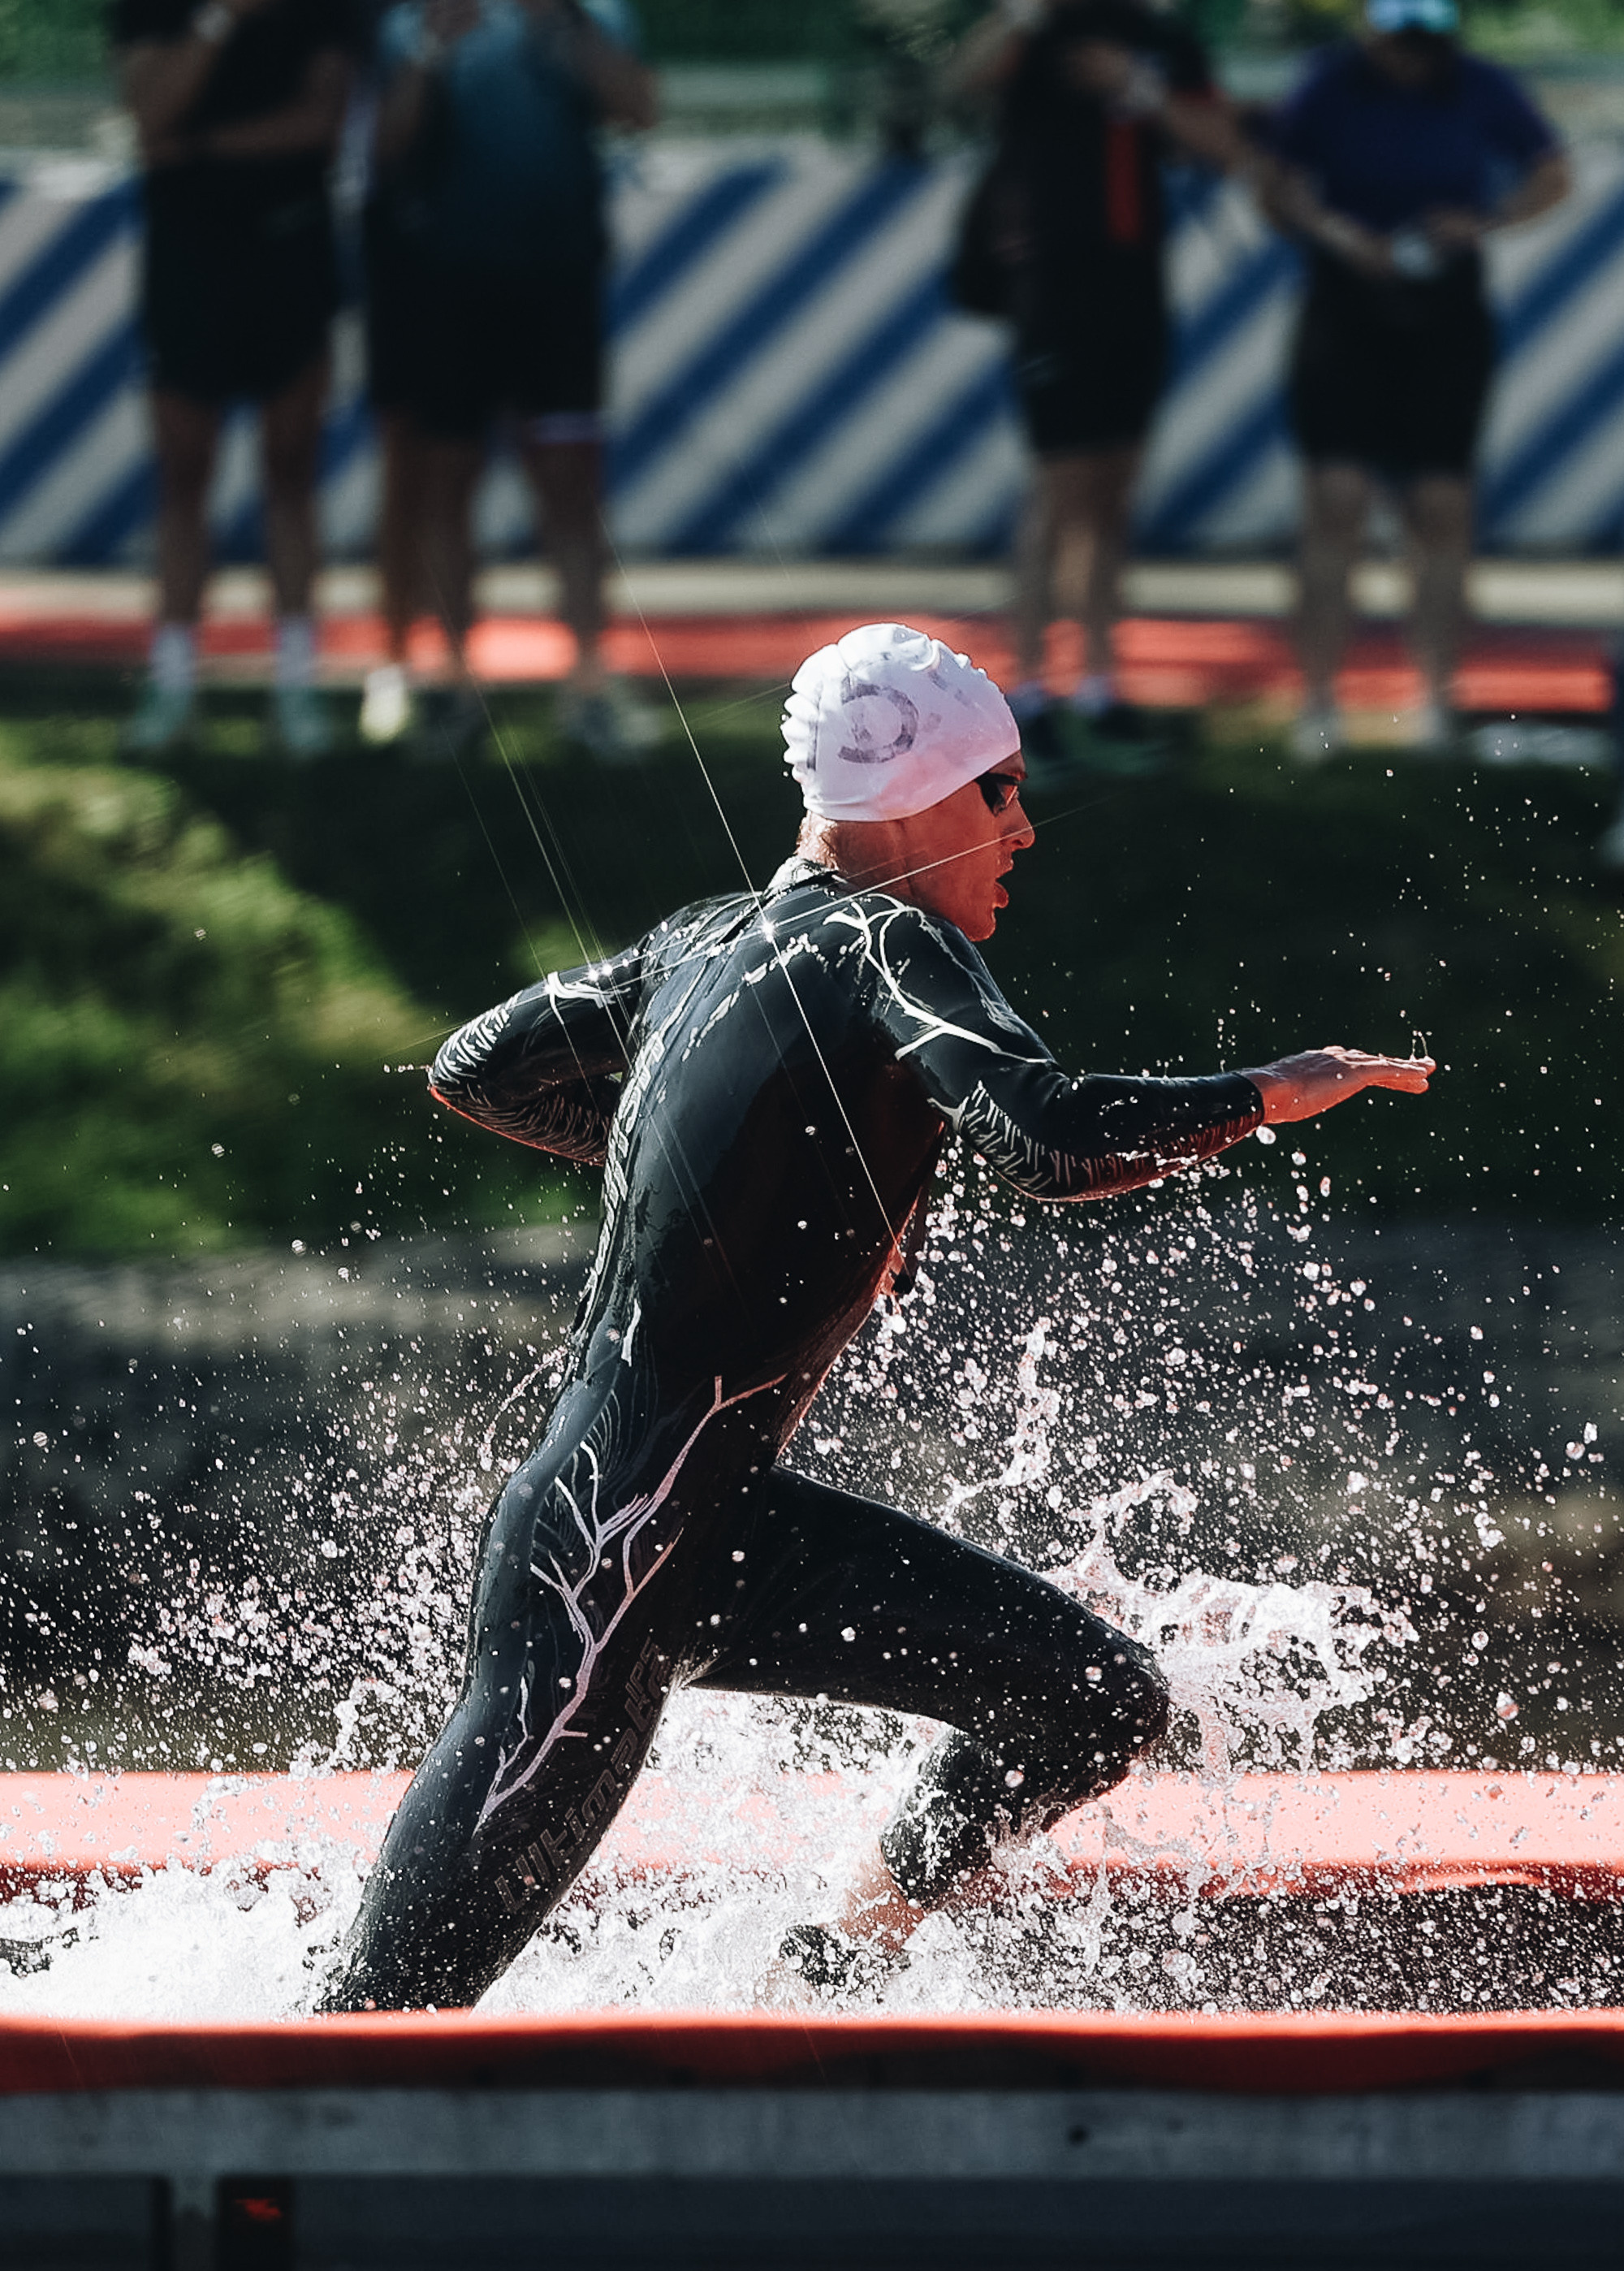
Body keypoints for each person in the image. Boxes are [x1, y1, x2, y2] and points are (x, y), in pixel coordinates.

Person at [315, 624, 1433, 2014]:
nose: (1022, 828)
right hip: (608, 1555)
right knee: (384, 2014)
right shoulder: (886, 938)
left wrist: (736, 1173)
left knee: (1092, 1700)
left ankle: (833, 1961)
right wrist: (1271, 1090)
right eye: (998, 791)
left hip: (722, 1530)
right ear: (910, 799)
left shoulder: (701, 941)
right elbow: (1050, 1138)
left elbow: (479, 1065)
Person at [1261, 0, 1569, 763]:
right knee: (1337, 501)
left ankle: (1435, 701)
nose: (1408, 57)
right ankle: (1318, 700)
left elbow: (1552, 173)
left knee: (1441, 507)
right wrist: (1338, 232)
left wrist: (1484, 222)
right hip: (1346, 304)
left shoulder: (1477, 84)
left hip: (1445, 311)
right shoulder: (1330, 83)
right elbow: (1279, 182)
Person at [948, 0, 1242, 777]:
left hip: (1133, 289)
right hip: (1053, 290)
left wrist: (1139, 88)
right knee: (1059, 490)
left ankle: (1101, 685)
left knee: (1113, 492)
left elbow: (1221, 144)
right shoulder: (1039, 31)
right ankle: (1029, 692)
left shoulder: (1160, 37)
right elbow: (960, 84)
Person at [361, 0, 658, 759]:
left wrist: (564, 26)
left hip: (557, 284)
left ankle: (588, 685)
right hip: (448, 284)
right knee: (447, 482)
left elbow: (638, 110)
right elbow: (386, 147)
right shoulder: (416, 20)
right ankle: (455, 685)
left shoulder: (591, 15)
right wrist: (432, 49)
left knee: (570, 485)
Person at [114, 0, 358, 761]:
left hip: (289, 255)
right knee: (183, 474)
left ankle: (296, 685)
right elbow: (149, 115)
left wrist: (201, 143)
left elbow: (321, 121)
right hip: (189, 263)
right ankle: (173, 684)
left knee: (291, 470)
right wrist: (220, 18)